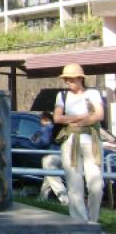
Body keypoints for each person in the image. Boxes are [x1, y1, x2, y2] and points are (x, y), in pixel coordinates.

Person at [53, 63, 104, 222]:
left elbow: (99, 115)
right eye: (66, 79)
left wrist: (79, 122)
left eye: (71, 78)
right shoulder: (62, 95)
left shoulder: (92, 93)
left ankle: (93, 221)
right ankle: (80, 223)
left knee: (96, 185)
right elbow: (57, 118)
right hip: (70, 141)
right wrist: (84, 116)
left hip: (91, 141)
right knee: (74, 188)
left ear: (80, 78)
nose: (68, 81)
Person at [33, 111, 68, 205]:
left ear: (44, 119)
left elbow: (44, 142)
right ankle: (42, 199)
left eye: (41, 120)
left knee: (53, 179)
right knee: (48, 179)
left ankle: (65, 200)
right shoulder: (57, 128)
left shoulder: (45, 129)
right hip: (61, 154)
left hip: (49, 156)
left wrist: (35, 141)